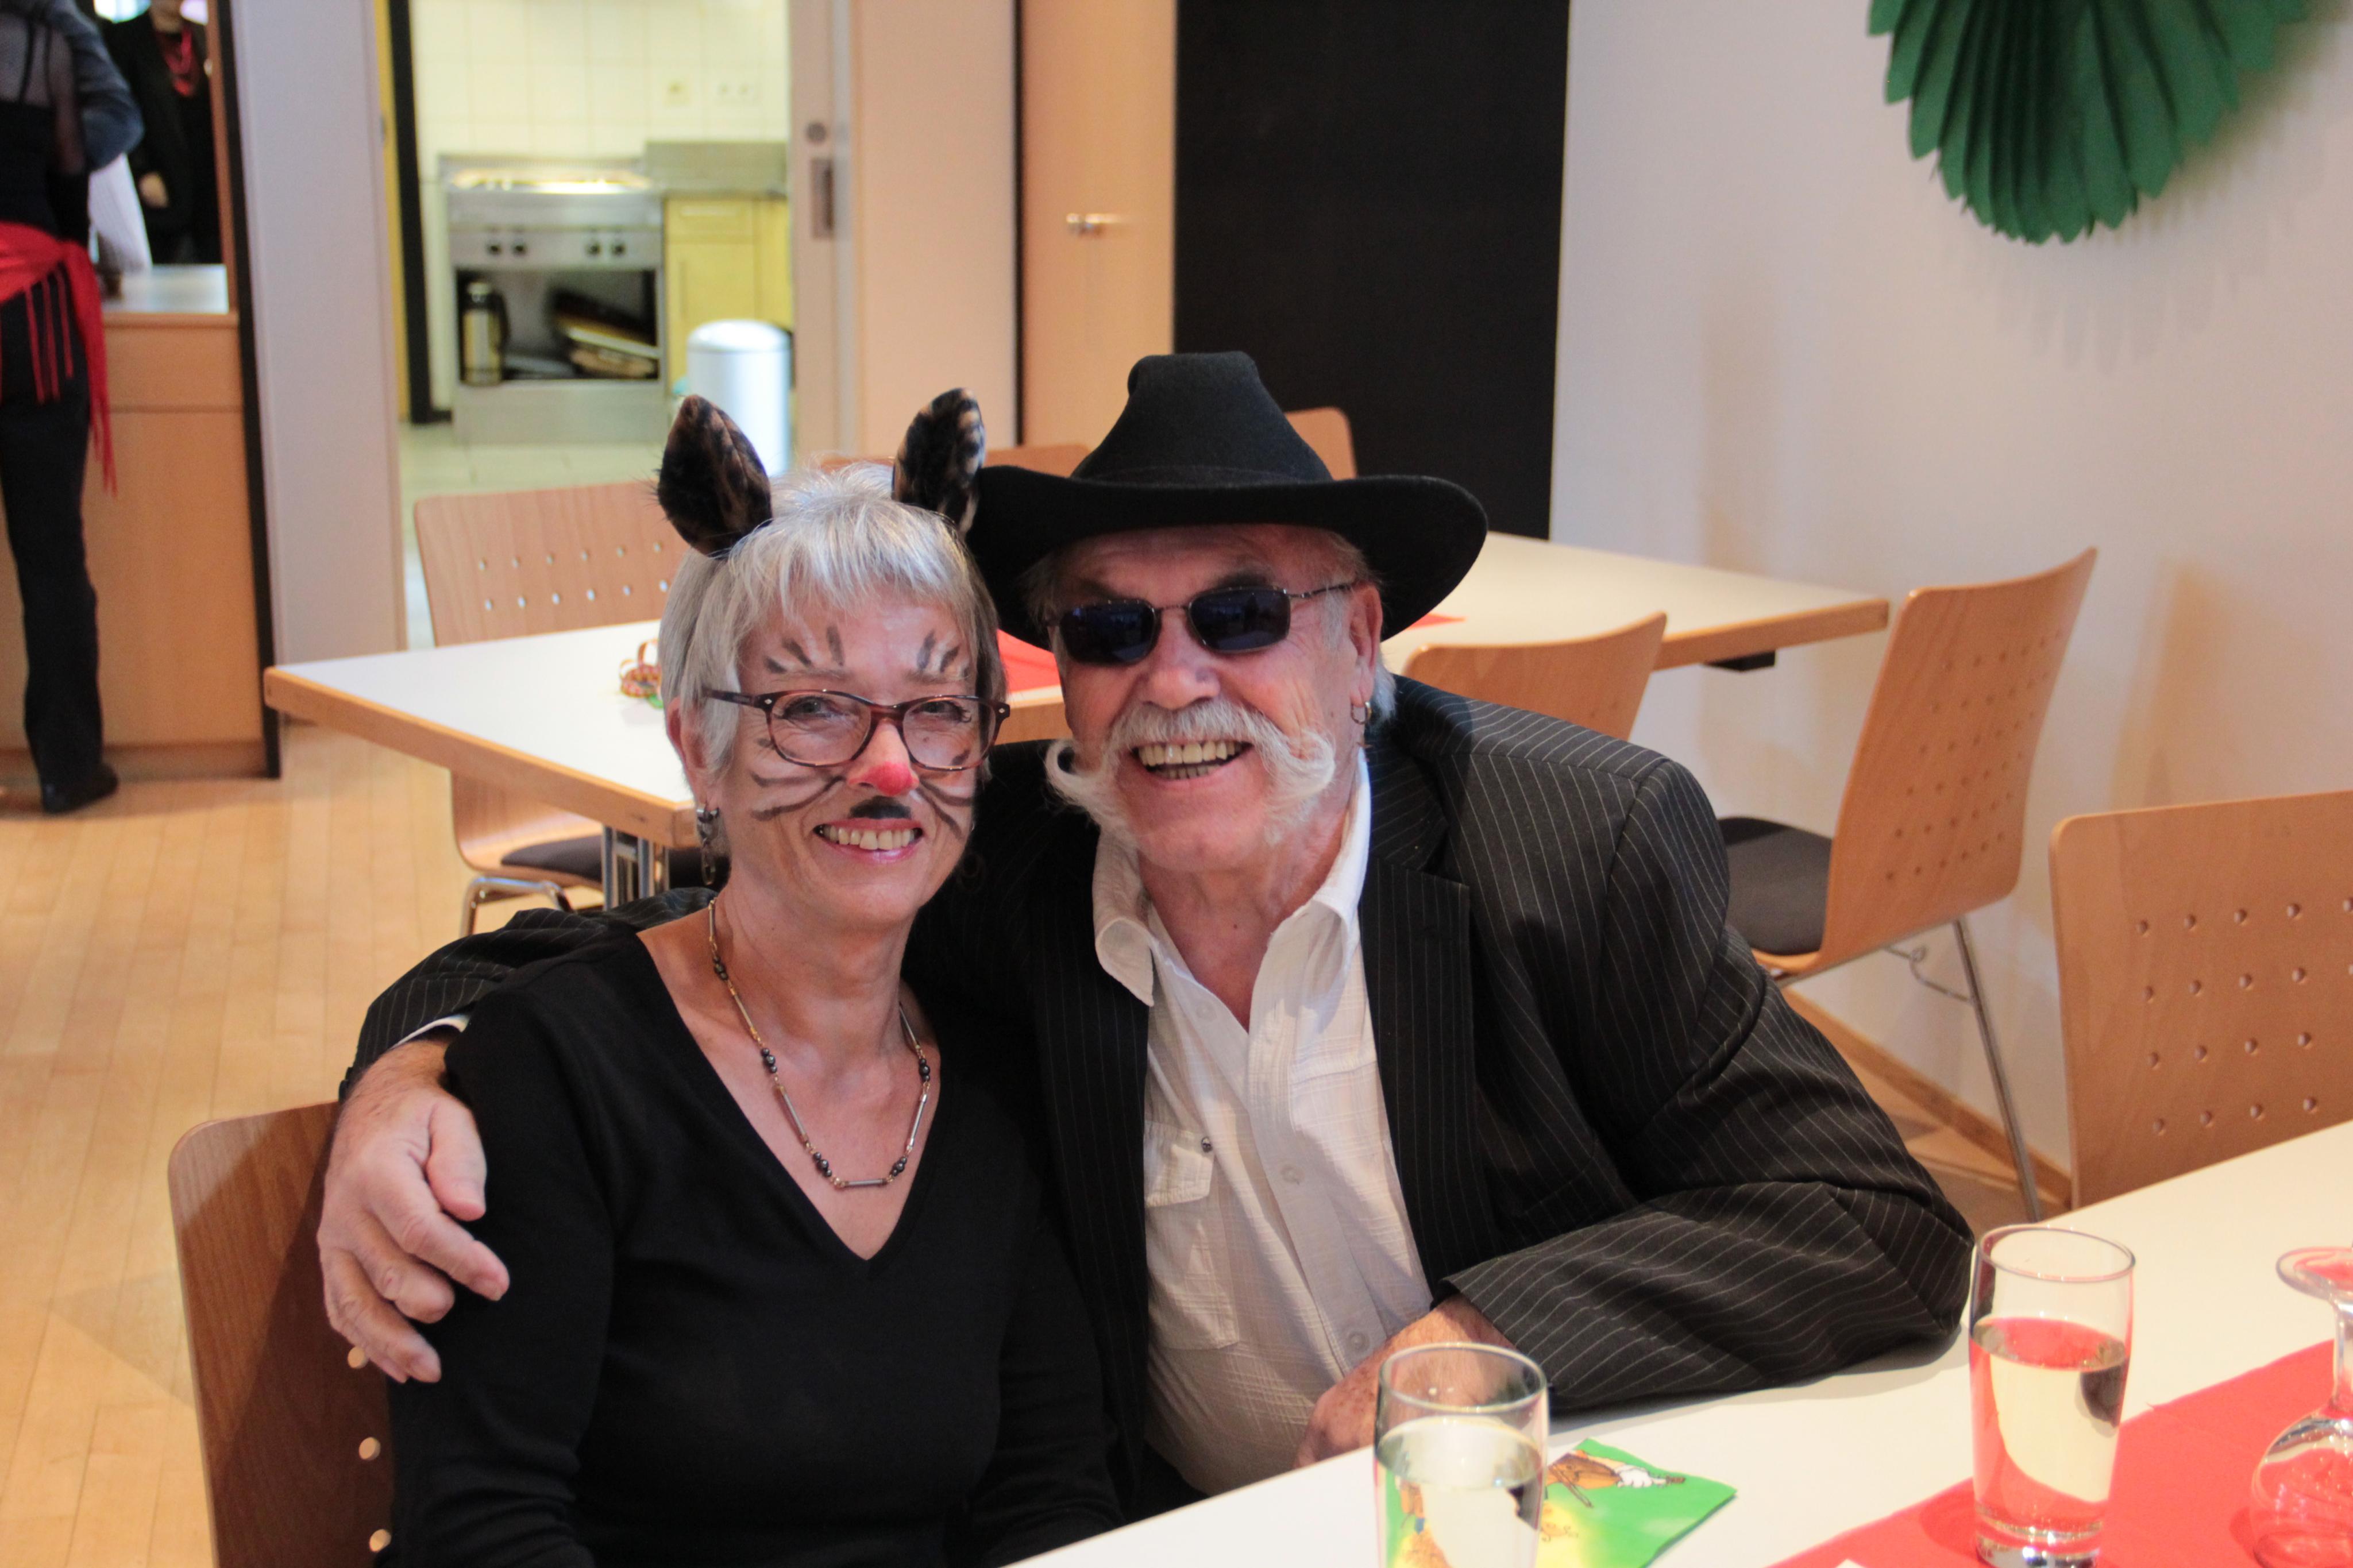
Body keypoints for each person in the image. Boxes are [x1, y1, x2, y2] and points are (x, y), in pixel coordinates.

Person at [324, 354, 1974, 1516]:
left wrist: (1485, 1330)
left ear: (1361, 643)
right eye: (1113, 627)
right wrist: (411, 1066)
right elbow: (677, 948)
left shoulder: (1570, 848)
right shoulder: (1001, 864)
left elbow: (1881, 1222)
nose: (1177, 681)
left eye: (1243, 614)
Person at [380, 396, 1118, 1565]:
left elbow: (1047, 1495)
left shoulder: (992, 1073)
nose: (889, 767)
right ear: (696, 748)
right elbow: (483, 1527)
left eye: (937, 711)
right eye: (811, 709)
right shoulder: (557, 1077)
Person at [0, 0, 133, 814]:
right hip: (33, 321)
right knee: (52, 557)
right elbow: (85, 159)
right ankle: (68, 766)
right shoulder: (45, 40)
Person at [101, 0, 215, 265]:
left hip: (206, 190)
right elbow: (120, 111)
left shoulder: (204, 35)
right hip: (160, 185)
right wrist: (142, 171)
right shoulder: (123, 37)